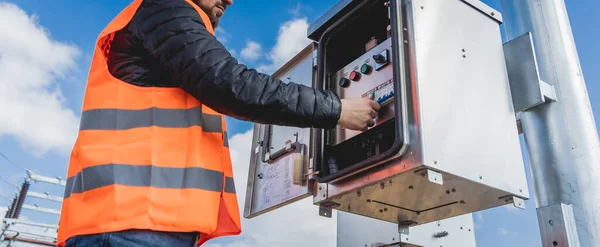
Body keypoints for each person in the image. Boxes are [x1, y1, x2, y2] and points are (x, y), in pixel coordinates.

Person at [57, 0, 381, 246]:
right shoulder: (166, 10)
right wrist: (336, 109)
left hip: (137, 221)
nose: (229, 0)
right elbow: (232, 85)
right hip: (132, 224)